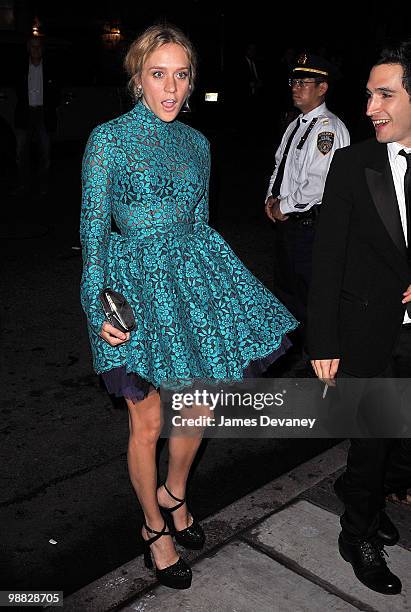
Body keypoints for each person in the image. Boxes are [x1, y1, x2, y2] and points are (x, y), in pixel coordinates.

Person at [80, 24, 297, 590]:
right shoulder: (108, 140)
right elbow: (93, 235)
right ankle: (154, 527)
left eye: (181, 75)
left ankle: (174, 494)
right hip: (134, 289)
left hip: (191, 281)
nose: (171, 88)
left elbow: (200, 224)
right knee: (148, 418)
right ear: (137, 79)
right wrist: (98, 307)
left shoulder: (198, 144)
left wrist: (215, 294)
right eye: (158, 74)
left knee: (199, 403)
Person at [307, 40, 411, 595]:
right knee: (372, 439)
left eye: (385, 95)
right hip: (369, 330)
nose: (370, 107)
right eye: (369, 94)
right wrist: (323, 340)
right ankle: (358, 533)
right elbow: (327, 258)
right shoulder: (352, 163)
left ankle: (373, 499)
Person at [265, 54, 350, 337]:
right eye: (294, 81)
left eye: (303, 82)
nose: (295, 87)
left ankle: (316, 357)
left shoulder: (327, 128)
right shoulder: (297, 123)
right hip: (290, 224)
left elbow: (319, 183)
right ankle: (294, 351)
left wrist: (284, 206)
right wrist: (271, 198)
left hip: (310, 226)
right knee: (286, 292)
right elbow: (281, 164)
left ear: (322, 88)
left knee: (311, 296)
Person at [12, 36, 60, 197]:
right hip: (25, 113)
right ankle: (23, 184)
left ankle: (43, 186)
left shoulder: (50, 68)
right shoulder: (20, 68)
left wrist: (51, 105)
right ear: (28, 48)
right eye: (33, 47)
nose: (36, 50)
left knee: (45, 152)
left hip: (43, 113)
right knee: (20, 152)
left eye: (38, 47)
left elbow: (56, 90)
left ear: (42, 49)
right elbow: (16, 89)